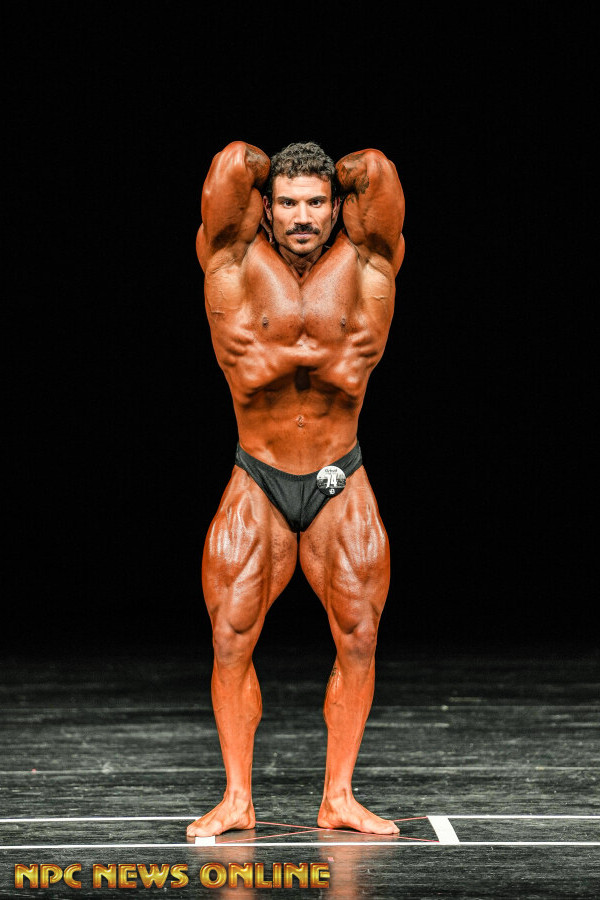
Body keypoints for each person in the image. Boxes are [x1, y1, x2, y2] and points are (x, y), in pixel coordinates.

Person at [187, 140, 405, 838]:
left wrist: (339, 173)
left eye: (315, 202)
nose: (302, 216)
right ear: (267, 210)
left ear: (337, 208)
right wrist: (263, 166)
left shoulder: (369, 263)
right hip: (259, 475)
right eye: (287, 203)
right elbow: (231, 165)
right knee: (230, 637)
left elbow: (378, 172)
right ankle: (237, 799)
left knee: (360, 638)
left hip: (342, 474)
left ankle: (339, 797)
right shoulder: (230, 262)